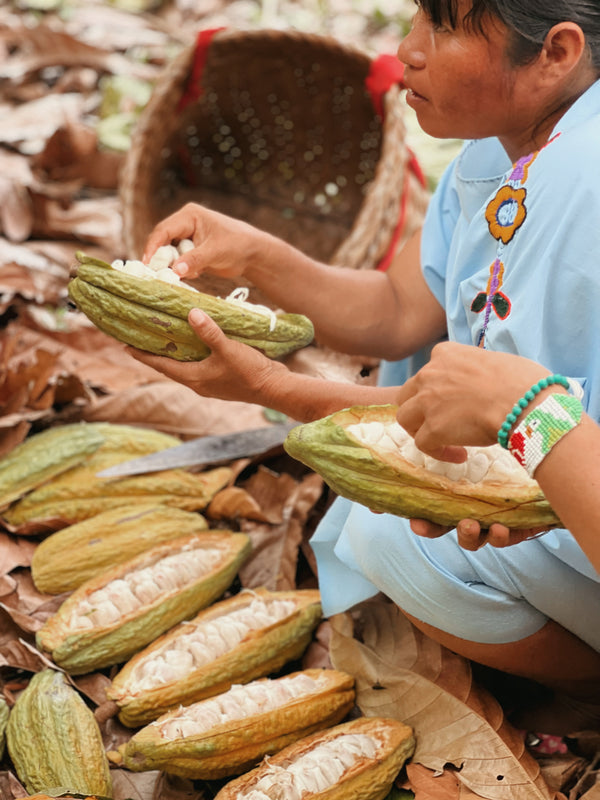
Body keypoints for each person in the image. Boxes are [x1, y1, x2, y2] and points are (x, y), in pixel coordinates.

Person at [130, 0, 600, 733]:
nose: (407, 49)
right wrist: (253, 254)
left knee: (386, 540)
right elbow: (397, 308)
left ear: (556, 53)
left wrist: (277, 388)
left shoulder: (586, 179)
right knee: (382, 523)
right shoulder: (495, 154)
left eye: (442, 28)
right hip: (540, 475)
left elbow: (511, 424)